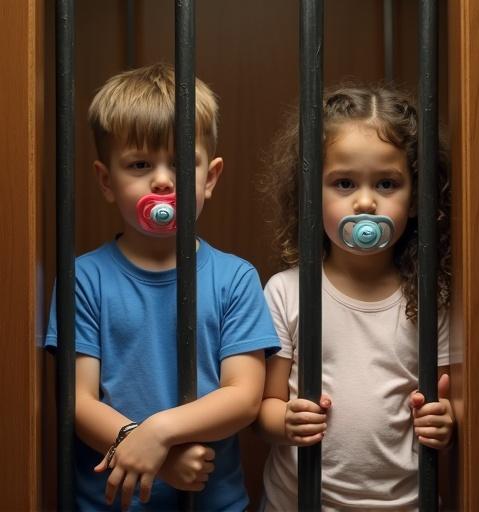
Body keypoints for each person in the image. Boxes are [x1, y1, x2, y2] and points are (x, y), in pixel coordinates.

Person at [45, 62, 280, 511]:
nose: (162, 180)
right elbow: (77, 401)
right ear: (105, 181)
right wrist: (145, 449)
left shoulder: (235, 277)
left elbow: (245, 396)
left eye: (179, 163)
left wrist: (159, 433)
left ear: (209, 178)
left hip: (213, 503)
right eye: (139, 164)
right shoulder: (84, 279)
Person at [256, 84, 455, 511]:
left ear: (417, 197)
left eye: (387, 183)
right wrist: (285, 421)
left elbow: (453, 405)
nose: (365, 202)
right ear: (312, 193)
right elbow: (265, 408)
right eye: (344, 183)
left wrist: (445, 421)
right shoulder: (286, 292)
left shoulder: (433, 297)